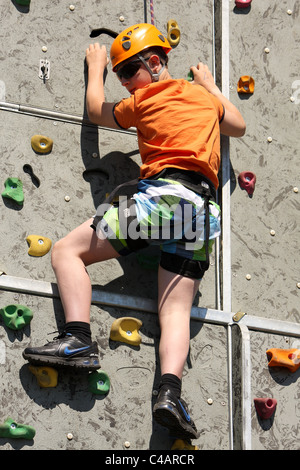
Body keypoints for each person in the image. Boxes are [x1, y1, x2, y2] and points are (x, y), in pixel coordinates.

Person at [23, 23, 245, 440]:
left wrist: (95, 68)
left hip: (163, 201)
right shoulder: (203, 99)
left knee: (67, 253)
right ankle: (169, 392)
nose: (125, 81)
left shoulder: (142, 100)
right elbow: (237, 124)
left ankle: (77, 339)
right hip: (202, 213)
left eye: (128, 71)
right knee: (174, 309)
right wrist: (211, 85)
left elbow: (95, 111)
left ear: (155, 62)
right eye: (119, 74)